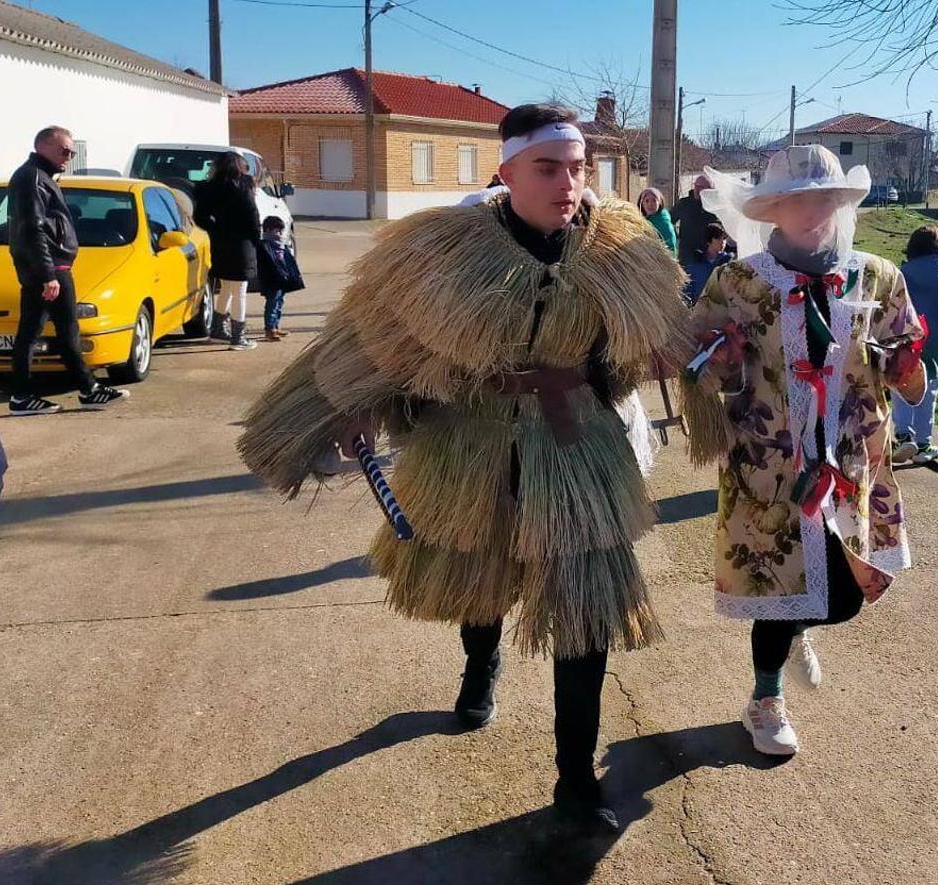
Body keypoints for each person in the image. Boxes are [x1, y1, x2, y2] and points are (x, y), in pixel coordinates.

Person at [238, 103, 689, 830]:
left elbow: (640, 353)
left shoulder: (619, 251)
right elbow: (374, 342)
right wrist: (358, 407)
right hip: (473, 443)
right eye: (548, 168)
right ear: (506, 171)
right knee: (479, 580)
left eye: (577, 168)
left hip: (579, 449)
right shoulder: (447, 250)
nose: (567, 183)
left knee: (587, 612)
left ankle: (575, 780)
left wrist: (676, 360)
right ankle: (480, 662)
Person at [680, 145, 927, 757]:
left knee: (844, 595)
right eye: (797, 199)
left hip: (849, 460)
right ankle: (765, 700)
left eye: (826, 197)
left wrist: (905, 367)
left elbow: (913, 370)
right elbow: (699, 371)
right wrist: (723, 363)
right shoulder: (737, 282)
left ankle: (797, 627)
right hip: (770, 462)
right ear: (774, 210)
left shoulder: (878, 275)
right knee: (774, 584)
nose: (813, 209)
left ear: (842, 203)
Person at [7, 126, 129, 415]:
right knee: (40, 331)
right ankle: (25, 396)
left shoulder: (40, 177)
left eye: (72, 152)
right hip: (48, 268)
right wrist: (48, 273)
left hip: (50, 265)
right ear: (43, 147)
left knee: (62, 329)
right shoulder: (32, 178)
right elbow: (32, 228)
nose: (69, 156)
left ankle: (87, 388)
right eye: (64, 151)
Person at [892, 225, 938, 465]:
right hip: (935, 348)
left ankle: (904, 436)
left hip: (905, 345)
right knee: (928, 394)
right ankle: (924, 444)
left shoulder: (901, 275)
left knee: (901, 389)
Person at [193, 152, 261, 351]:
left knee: (227, 287)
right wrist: (257, 238)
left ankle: (218, 329)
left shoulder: (211, 188)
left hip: (220, 243)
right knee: (239, 290)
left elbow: (200, 216)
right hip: (241, 244)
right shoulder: (243, 185)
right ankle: (238, 336)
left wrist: (216, 229)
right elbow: (252, 213)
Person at [256, 215, 305, 343]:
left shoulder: (282, 245)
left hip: (282, 280)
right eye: (276, 231)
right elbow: (266, 265)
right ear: (267, 230)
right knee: (272, 304)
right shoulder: (264, 246)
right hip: (272, 280)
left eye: (280, 231)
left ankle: (276, 326)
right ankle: (270, 329)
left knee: (279, 303)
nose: (279, 234)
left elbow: (289, 262)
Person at [670, 173, 722, 269]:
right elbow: (669, 221)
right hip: (687, 255)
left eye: (701, 187)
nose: (697, 189)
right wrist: (676, 237)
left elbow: (722, 229)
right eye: (696, 186)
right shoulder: (684, 204)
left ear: (709, 190)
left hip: (708, 256)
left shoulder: (715, 207)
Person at [684, 222, 734, 303]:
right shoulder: (696, 262)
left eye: (724, 238)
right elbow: (687, 289)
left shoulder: (728, 262)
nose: (722, 242)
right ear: (709, 241)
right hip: (698, 309)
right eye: (718, 238)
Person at [637, 187, 677, 255]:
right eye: (647, 201)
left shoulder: (664, 223)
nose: (650, 204)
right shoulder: (640, 221)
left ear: (660, 203)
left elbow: (670, 248)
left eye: (654, 200)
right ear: (642, 204)